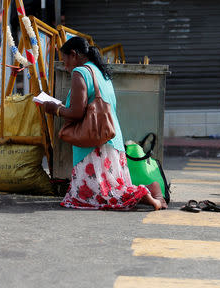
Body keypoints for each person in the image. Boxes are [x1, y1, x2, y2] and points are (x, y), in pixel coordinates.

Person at [44, 36, 167, 210]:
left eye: (65, 60)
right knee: (107, 190)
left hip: (93, 145)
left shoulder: (80, 72)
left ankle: (146, 195)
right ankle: (149, 190)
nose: (65, 66)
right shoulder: (100, 72)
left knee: (98, 197)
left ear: (74, 55)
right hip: (110, 140)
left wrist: (54, 108)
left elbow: (77, 113)